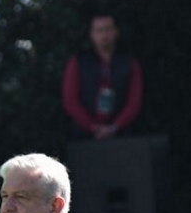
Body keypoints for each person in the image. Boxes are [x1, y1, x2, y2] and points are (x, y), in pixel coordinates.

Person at [60, 11, 143, 141]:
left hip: (123, 136)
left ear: (116, 32)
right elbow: (71, 101)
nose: (104, 35)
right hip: (84, 138)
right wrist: (93, 127)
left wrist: (114, 127)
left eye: (108, 29)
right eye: (99, 30)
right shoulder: (78, 62)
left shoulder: (129, 63)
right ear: (91, 34)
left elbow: (134, 101)